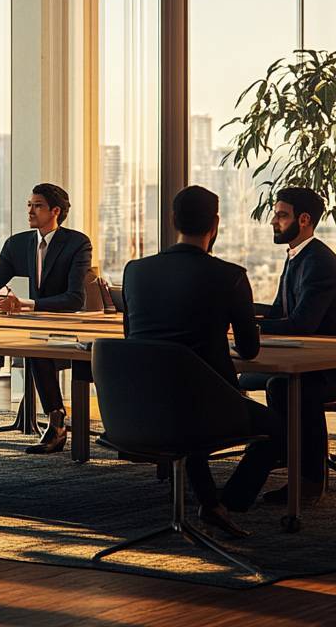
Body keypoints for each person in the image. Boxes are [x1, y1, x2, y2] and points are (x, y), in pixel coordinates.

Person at [122, 186, 282, 536]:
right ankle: (229, 501)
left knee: (183, 413)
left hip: (138, 406)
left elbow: (131, 339)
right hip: (208, 407)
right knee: (280, 428)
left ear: (173, 220)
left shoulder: (135, 271)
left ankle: (210, 502)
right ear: (216, 224)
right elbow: (250, 350)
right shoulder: (230, 276)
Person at [0, 183, 92, 454]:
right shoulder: (17, 244)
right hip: (35, 329)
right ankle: (56, 420)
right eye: (29, 205)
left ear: (55, 211)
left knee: (38, 350)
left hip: (67, 328)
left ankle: (56, 421)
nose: (30, 211)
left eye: (38, 206)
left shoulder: (76, 243)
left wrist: (27, 304)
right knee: (35, 347)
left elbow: (75, 299)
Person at [248, 186, 336, 505]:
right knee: (276, 383)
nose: (273, 221)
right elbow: (281, 312)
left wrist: (251, 325)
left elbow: (302, 324)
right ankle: (286, 453)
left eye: (281, 215)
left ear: (304, 220)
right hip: (305, 359)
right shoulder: (298, 255)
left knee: (283, 386)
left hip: (329, 366)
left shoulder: (318, 262)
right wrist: (241, 312)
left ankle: (308, 479)